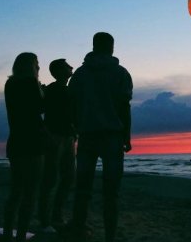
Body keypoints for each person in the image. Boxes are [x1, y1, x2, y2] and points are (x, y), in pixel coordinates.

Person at [69, 32, 133, 242]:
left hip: (87, 135)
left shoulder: (79, 74)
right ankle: (110, 237)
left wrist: (76, 126)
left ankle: (78, 230)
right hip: (112, 136)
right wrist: (127, 136)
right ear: (111, 47)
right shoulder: (121, 73)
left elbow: (72, 105)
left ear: (94, 46)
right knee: (111, 192)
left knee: (82, 188)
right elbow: (124, 107)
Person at [3, 52, 51, 242]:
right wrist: (42, 91)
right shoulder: (31, 84)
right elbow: (40, 108)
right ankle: (21, 234)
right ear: (30, 66)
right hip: (32, 142)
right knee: (30, 192)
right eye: (37, 64)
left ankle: (8, 232)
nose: (39, 67)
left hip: (15, 141)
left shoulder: (10, 84)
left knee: (15, 191)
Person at [37, 58, 75, 232]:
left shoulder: (69, 90)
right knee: (50, 179)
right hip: (55, 137)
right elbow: (39, 111)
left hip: (68, 137)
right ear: (60, 71)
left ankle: (56, 215)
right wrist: (47, 134)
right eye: (67, 66)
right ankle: (45, 219)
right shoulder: (52, 90)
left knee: (68, 177)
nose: (71, 67)